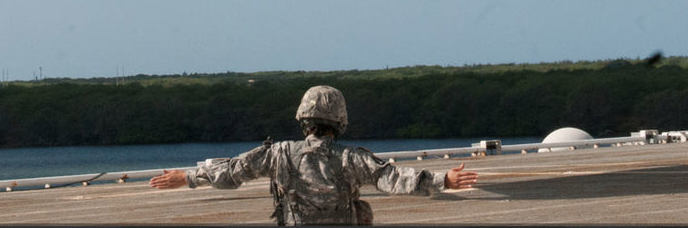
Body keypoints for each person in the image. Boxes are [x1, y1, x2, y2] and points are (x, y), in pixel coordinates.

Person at [149, 84, 479, 225]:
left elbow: (234, 171)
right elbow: (394, 179)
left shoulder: (278, 154)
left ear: (303, 119)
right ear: (339, 120)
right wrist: (443, 180)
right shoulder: (352, 158)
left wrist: (188, 177)